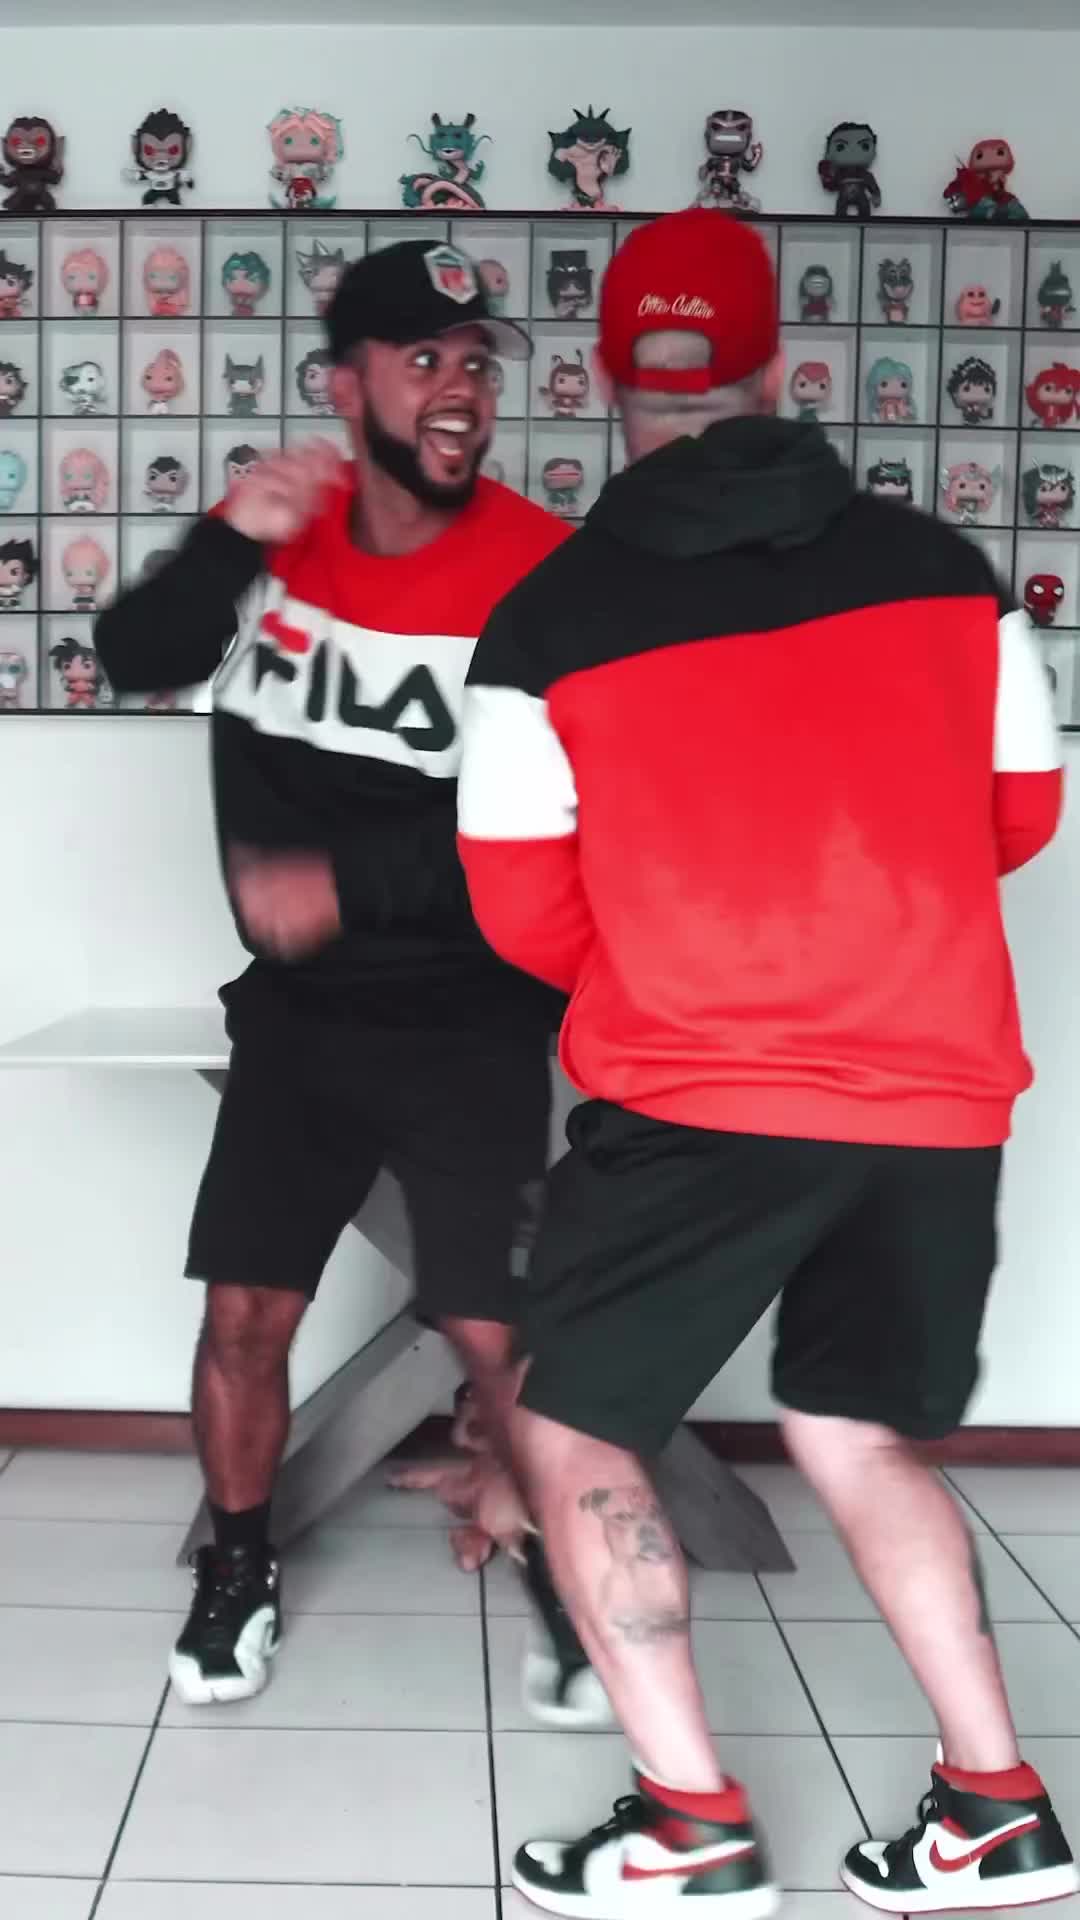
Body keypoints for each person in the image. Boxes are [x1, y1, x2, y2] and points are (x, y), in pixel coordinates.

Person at [457, 207, 1076, 1917]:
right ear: (776, 365)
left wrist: (695, 963)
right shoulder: (943, 572)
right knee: (856, 1426)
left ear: (607, 376)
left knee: (576, 1429)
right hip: (935, 1088)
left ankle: (692, 1827)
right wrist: (867, 922)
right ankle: (995, 1811)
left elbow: (517, 907)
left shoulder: (550, 615)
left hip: (697, 1091)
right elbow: (1019, 815)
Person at [93, 240, 572, 1708]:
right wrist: (230, 538)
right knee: (246, 1315)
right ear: (344, 383)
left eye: (477, 362)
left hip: (476, 1017)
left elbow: (569, 813)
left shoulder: (546, 567)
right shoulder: (276, 535)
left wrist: (346, 885)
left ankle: (569, 1572)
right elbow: (135, 653)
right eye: (424, 358)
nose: (460, 388)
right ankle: (238, 1568)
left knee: (499, 1335)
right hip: (300, 1022)